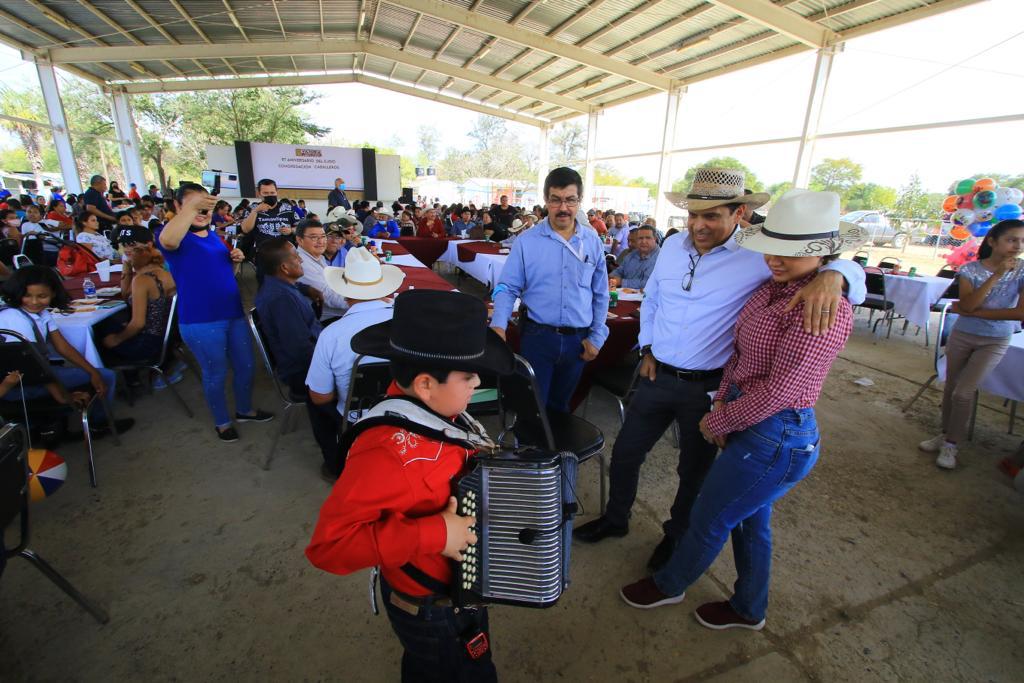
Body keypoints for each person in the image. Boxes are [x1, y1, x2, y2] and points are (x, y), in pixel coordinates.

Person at [573, 170, 866, 573]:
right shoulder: (673, 245)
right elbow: (654, 298)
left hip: (709, 387)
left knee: (692, 472)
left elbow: (825, 265)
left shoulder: (762, 256)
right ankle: (616, 518)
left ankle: (674, 537)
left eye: (711, 215)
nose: (698, 225)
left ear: (739, 213)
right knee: (625, 453)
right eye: (693, 214)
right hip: (656, 376)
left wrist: (839, 274)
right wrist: (648, 348)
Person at [306, 289, 513, 683]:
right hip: (431, 606)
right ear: (424, 384)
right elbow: (328, 548)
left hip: (453, 589)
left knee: (428, 667)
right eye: (468, 375)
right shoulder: (386, 454)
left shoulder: (445, 410)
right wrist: (436, 531)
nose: (477, 383)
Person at [157, 182, 274, 442]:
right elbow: (167, 240)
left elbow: (223, 277)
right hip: (200, 319)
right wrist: (190, 209)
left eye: (206, 204)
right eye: (194, 204)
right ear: (178, 206)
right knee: (215, 372)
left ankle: (244, 410)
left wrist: (234, 261)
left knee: (245, 365)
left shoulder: (213, 237)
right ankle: (222, 421)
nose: (203, 210)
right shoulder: (174, 236)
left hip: (232, 313)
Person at [491, 166, 609, 413]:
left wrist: (597, 336)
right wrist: (499, 325)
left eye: (570, 200)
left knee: (560, 409)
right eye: (556, 200)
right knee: (532, 409)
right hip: (538, 337)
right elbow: (506, 287)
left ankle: (555, 451)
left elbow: (600, 293)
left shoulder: (592, 242)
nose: (563, 208)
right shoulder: (527, 241)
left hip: (579, 340)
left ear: (579, 201)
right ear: (546, 200)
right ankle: (530, 450)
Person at [919, 218, 1024, 469]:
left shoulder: (1022, 271)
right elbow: (966, 305)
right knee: (950, 387)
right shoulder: (970, 270)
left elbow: (1020, 313)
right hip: (963, 334)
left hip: (996, 339)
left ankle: (951, 445)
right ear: (992, 241)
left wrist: (976, 312)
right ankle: (945, 434)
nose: (1017, 246)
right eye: (1011, 240)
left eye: (1021, 241)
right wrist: (996, 276)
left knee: (963, 392)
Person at [305, 247, 405, 478]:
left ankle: (335, 465)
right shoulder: (409, 323)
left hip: (357, 416)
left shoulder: (331, 334)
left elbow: (321, 397)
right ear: (384, 288)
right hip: (409, 410)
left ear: (345, 293)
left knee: (314, 398)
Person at [0, 265, 133, 436]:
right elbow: (33, 366)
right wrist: (62, 396)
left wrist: (92, 372)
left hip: (31, 377)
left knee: (98, 375)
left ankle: (48, 423)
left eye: (42, 296)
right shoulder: (15, 318)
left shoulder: (41, 314)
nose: (34, 302)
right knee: (107, 377)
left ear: (53, 294)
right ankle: (97, 424)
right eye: (27, 296)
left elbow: (63, 347)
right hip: (16, 387)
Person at [98, 227, 177, 370]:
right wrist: (127, 268)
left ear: (148, 245)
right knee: (109, 324)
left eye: (132, 245)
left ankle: (129, 381)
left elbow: (138, 324)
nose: (127, 250)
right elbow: (126, 295)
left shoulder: (142, 279)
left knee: (99, 332)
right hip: (168, 339)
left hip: (148, 344)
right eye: (124, 245)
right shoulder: (160, 271)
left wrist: (116, 340)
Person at [254, 237, 322, 398]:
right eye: (296, 257)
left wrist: (307, 289)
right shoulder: (281, 299)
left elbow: (294, 286)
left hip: (309, 353)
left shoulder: (276, 282)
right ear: (284, 267)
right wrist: (331, 363)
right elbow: (300, 349)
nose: (301, 260)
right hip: (303, 372)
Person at [295, 220, 349, 322]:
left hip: (337, 312)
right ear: (300, 240)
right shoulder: (302, 263)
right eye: (314, 237)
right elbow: (329, 296)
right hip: (323, 320)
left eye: (323, 236)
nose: (321, 241)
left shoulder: (318, 257)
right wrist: (361, 301)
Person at [239, 178, 296, 254]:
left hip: (287, 253)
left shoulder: (288, 208)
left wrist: (291, 230)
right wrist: (255, 211)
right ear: (259, 194)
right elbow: (245, 229)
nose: (270, 195)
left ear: (277, 192)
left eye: (272, 193)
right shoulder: (251, 208)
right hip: (263, 253)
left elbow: (301, 228)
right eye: (265, 193)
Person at [609, 225, 659, 289]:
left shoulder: (660, 258)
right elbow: (620, 270)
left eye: (648, 238)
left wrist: (621, 282)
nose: (643, 241)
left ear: (655, 239)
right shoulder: (632, 254)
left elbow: (648, 283)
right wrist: (612, 277)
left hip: (646, 298)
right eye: (640, 238)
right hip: (624, 295)